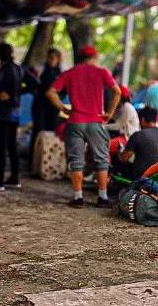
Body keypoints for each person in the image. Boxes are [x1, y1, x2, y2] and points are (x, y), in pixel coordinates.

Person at [47, 45, 121, 208]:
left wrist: (64, 108)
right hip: (96, 121)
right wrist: (109, 113)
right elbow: (117, 92)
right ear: (94, 57)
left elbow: (51, 92)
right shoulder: (102, 72)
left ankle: (78, 197)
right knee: (101, 160)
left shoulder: (69, 73)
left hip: (75, 122)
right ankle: (102, 198)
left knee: (76, 161)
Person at [0, 43, 25, 191]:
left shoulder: (5, 69)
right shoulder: (18, 67)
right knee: (12, 145)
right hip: (14, 111)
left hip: (3, 112)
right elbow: (34, 83)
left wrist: (8, 96)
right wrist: (17, 95)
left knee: (2, 146)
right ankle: (14, 178)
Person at [119, 107, 158, 180]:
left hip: (142, 176)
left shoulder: (138, 135)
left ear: (142, 120)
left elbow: (124, 158)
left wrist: (119, 153)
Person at [31, 48, 62, 160]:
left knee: (52, 131)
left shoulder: (61, 73)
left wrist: (58, 100)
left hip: (53, 107)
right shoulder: (40, 70)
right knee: (39, 131)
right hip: (40, 105)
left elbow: (64, 91)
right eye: (49, 58)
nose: (50, 61)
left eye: (53, 58)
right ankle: (35, 158)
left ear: (58, 59)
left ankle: (50, 159)